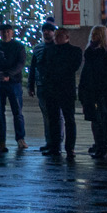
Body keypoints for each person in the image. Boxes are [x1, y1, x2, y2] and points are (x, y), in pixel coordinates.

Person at [36, 27, 82, 158]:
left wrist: (54, 72)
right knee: (53, 119)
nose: (56, 38)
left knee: (69, 119)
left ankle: (69, 148)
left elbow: (72, 67)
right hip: (52, 89)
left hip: (66, 89)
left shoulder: (74, 51)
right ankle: (55, 147)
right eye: (56, 36)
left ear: (66, 37)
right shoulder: (49, 50)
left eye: (59, 36)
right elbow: (42, 65)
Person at [80, 26, 107, 157]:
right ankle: (99, 144)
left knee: (104, 119)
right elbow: (86, 72)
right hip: (92, 90)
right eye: (93, 34)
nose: (93, 37)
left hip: (103, 90)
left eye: (96, 34)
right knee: (95, 119)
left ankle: (104, 145)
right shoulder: (90, 52)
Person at [0, 22, 28, 153]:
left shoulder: (18, 46)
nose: (6, 34)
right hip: (0, 83)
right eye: (3, 32)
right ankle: (0, 139)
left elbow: (20, 64)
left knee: (17, 112)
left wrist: (8, 75)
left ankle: (20, 138)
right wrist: (0, 75)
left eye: (8, 32)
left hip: (14, 82)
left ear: (12, 33)